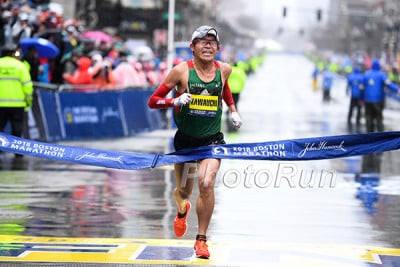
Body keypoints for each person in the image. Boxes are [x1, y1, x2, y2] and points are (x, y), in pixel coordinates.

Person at [148, 25, 242, 259]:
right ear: (193, 47)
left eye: (212, 41)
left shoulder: (225, 69)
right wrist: (175, 101)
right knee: (183, 191)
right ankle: (182, 210)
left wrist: (233, 110)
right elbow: (153, 101)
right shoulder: (180, 72)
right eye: (202, 41)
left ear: (218, 48)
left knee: (207, 183)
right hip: (186, 143)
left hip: (212, 142)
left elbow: (224, 88)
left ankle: (201, 240)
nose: (208, 45)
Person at [0, 44, 33, 157]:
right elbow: (28, 86)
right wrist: (29, 101)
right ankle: (18, 153)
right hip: (17, 104)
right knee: (17, 129)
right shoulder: (20, 66)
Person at [362, 58, 399, 132]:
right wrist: (397, 89)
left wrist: (361, 98)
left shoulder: (366, 74)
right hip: (378, 100)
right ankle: (380, 136)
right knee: (379, 118)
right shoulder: (381, 74)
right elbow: (388, 84)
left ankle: (369, 135)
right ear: (379, 66)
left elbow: (362, 87)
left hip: (367, 100)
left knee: (369, 117)